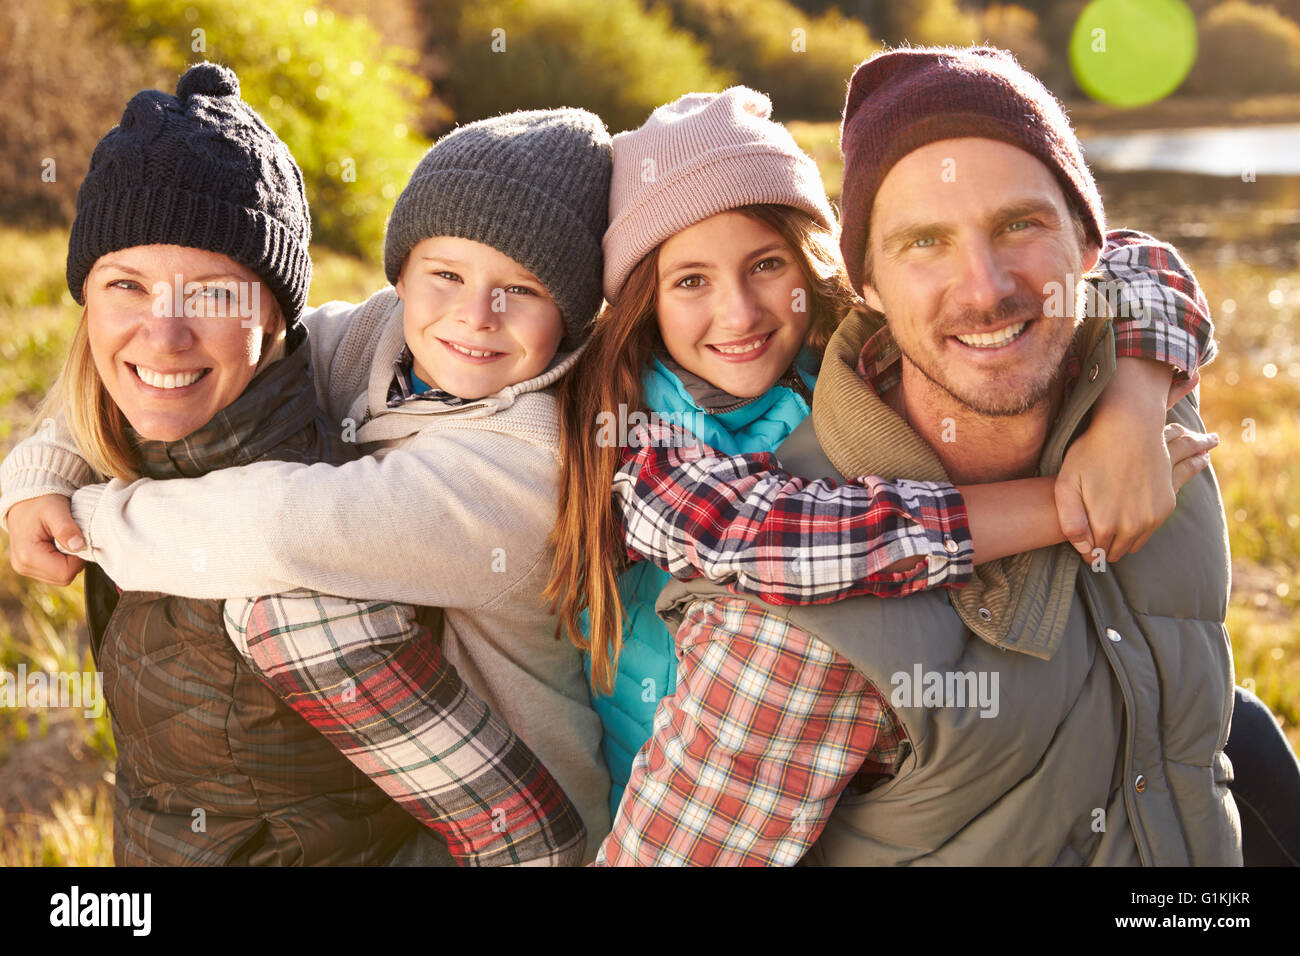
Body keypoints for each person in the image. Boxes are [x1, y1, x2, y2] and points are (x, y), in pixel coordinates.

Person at [593, 48, 1243, 866]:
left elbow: (1150, 267)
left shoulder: (1143, 380)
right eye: (925, 241)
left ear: (1087, 242)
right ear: (868, 282)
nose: (984, 286)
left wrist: (1138, 399)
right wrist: (1059, 506)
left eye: (1020, 223)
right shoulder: (778, 616)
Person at [0, 65, 602, 864]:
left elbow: (285, 527)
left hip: (516, 829)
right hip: (398, 792)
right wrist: (45, 465)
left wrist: (87, 519)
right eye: (446, 276)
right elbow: (240, 352)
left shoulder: (527, 458)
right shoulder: (387, 339)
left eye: (522, 289)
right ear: (404, 275)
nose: (473, 316)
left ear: (571, 312)